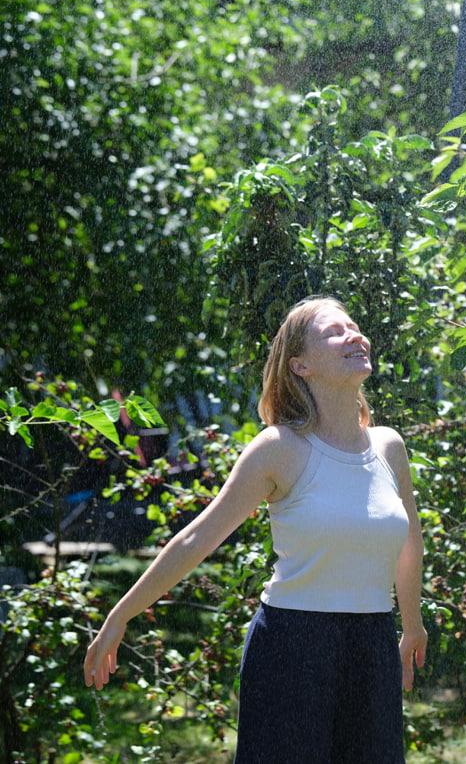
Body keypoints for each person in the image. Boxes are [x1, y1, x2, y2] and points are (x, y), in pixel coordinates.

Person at [84, 296, 426, 762]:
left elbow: (409, 541)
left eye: (355, 327)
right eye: (335, 331)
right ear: (300, 365)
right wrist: (121, 615)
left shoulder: (389, 447)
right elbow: (196, 537)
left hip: (372, 643)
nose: (355, 335)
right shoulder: (279, 448)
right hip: (291, 646)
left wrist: (412, 625)